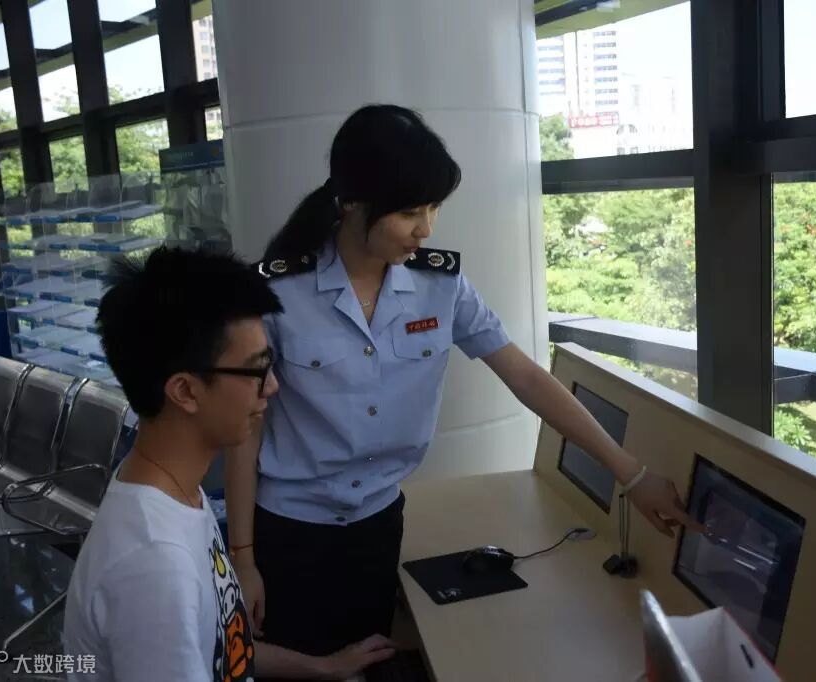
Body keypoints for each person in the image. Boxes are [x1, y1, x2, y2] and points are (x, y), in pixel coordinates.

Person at [226, 104, 704, 661]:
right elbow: (246, 429)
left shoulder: (441, 285)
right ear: (351, 200)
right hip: (288, 530)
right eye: (409, 211)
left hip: (378, 524)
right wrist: (244, 558)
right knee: (292, 666)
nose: (425, 228)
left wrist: (631, 474)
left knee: (364, 661)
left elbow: (524, 375)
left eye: (433, 208)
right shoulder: (278, 292)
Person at [63, 247, 396, 681]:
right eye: (257, 371)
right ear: (185, 391)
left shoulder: (176, 492)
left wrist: (324, 667)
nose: (272, 387)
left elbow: (218, 650)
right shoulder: (154, 565)